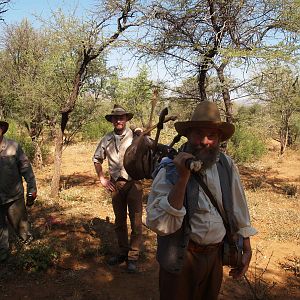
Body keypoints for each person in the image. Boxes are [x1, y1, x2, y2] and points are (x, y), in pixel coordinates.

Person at [146, 101, 257, 300]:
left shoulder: (226, 164)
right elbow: (161, 224)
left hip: (215, 257)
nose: (205, 141)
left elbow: (238, 207)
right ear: (188, 135)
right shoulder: (169, 168)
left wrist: (246, 247)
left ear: (219, 138)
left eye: (212, 135)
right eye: (199, 134)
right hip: (181, 259)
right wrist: (182, 178)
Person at [93, 104, 143, 273]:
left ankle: (133, 256)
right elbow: (97, 159)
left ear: (126, 119)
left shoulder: (136, 136)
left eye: (122, 117)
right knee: (119, 221)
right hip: (116, 185)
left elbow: (149, 151)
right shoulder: (106, 139)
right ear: (112, 120)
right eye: (116, 118)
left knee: (136, 221)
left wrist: (141, 133)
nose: (119, 120)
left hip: (134, 183)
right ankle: (123, 252)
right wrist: (102, 178)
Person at [0, 120, 37, 262]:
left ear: (2, 129)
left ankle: (31, 255)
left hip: (13, 197)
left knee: (22, 227)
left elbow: (26, 168)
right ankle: (4, 257)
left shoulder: (13, 147)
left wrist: (32, 188)